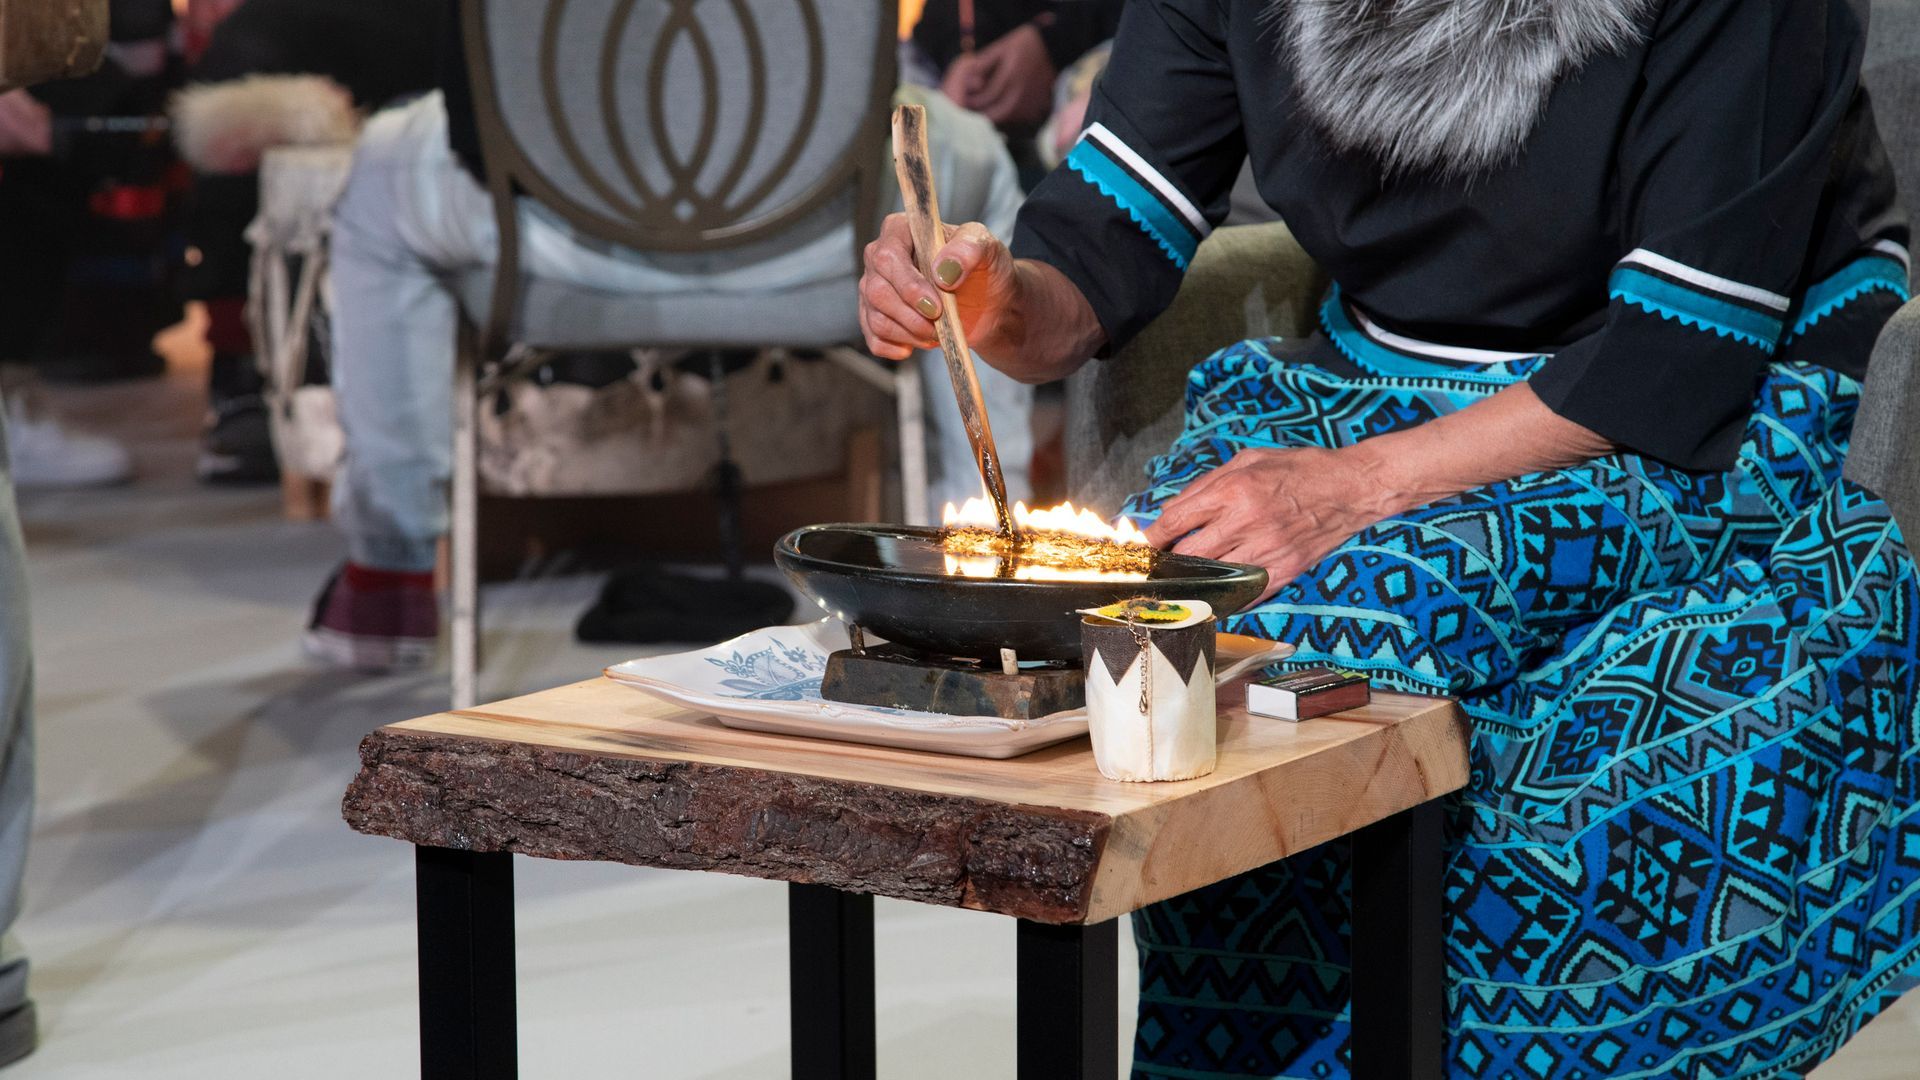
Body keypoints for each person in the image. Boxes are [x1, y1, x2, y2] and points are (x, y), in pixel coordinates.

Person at [860, 0, 1920, 1075]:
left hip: (1699, 397)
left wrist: (1357, 488)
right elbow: (1100, 246)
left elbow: (1677, 350)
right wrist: (992, 300)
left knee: (1382, 629)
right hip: (1377, 383)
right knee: (1180, 607)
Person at [306, 31, 1032, 670]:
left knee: (378, 174)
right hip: (823, 221)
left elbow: (476, 84)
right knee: (981, 173)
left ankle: (390, 574)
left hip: (562, 228)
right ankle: (994, 574)